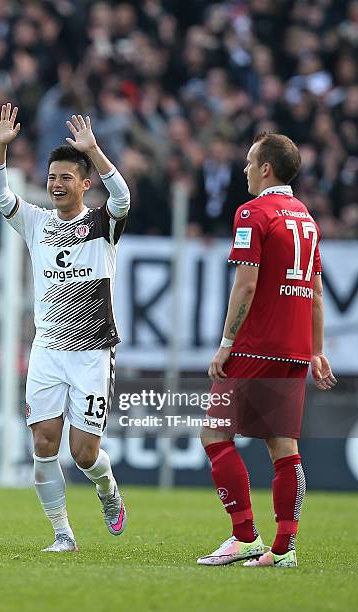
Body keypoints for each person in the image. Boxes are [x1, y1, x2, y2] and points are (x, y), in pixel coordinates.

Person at [0, 103, 130, 552]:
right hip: (47, 351)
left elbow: (123, 198)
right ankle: (62, 534)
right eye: (52, 177)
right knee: (43, 443)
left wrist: (94, 149)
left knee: (84, 453)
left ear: (85, 185)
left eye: (66, 177)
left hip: (92, 351)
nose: (55, 184)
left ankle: (108, 492)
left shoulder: (100, 225)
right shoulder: (36, 223)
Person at [197, 132, 337, 568]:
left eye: (249, 161)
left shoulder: (253, 213)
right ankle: (284, 549)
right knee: (284, 446)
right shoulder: (306, 219)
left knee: (214, 433)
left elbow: (247, 283)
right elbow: (314, 292)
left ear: (266, 168)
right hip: (294, 349)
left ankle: (244, 537)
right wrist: (315, 350)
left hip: (257, 346)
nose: (244, 169)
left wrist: (225, 345)